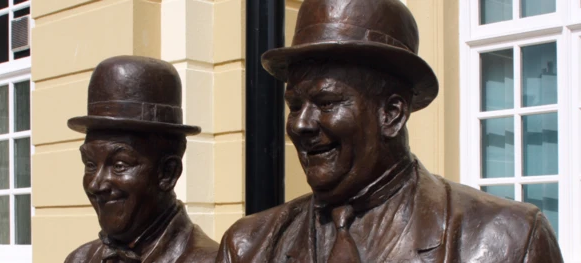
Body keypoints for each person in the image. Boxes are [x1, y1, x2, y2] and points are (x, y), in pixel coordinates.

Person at [216, 0, 563, 262]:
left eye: (326, 102)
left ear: (392, 114)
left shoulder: (509, 240)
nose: (301, 125)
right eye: (294, 105)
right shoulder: (248, 247)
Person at [64, 56, 218, 263]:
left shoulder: (213, 260)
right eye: (90, 164)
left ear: (167, 173)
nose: (95, 184)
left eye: (119, 165)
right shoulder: (80, 259)